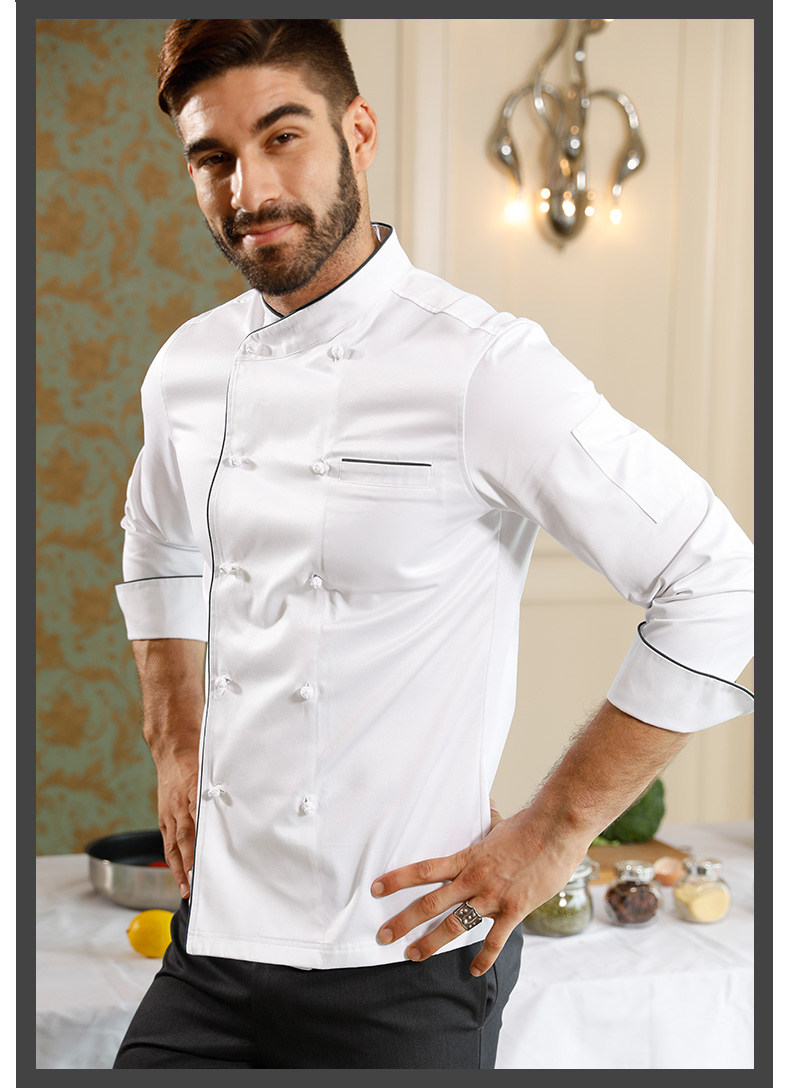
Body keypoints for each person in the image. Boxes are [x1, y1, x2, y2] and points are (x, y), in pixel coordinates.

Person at [112, 19, 754, 1069]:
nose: (248, 190)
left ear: (358, 132)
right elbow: (158, 541)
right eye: (212, 157)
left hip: (405, 959)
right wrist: (175, 736)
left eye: (282, 138)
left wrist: (553, 833)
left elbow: (718, 578)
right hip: (214, 945)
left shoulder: (481, 365)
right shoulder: (187, 368)